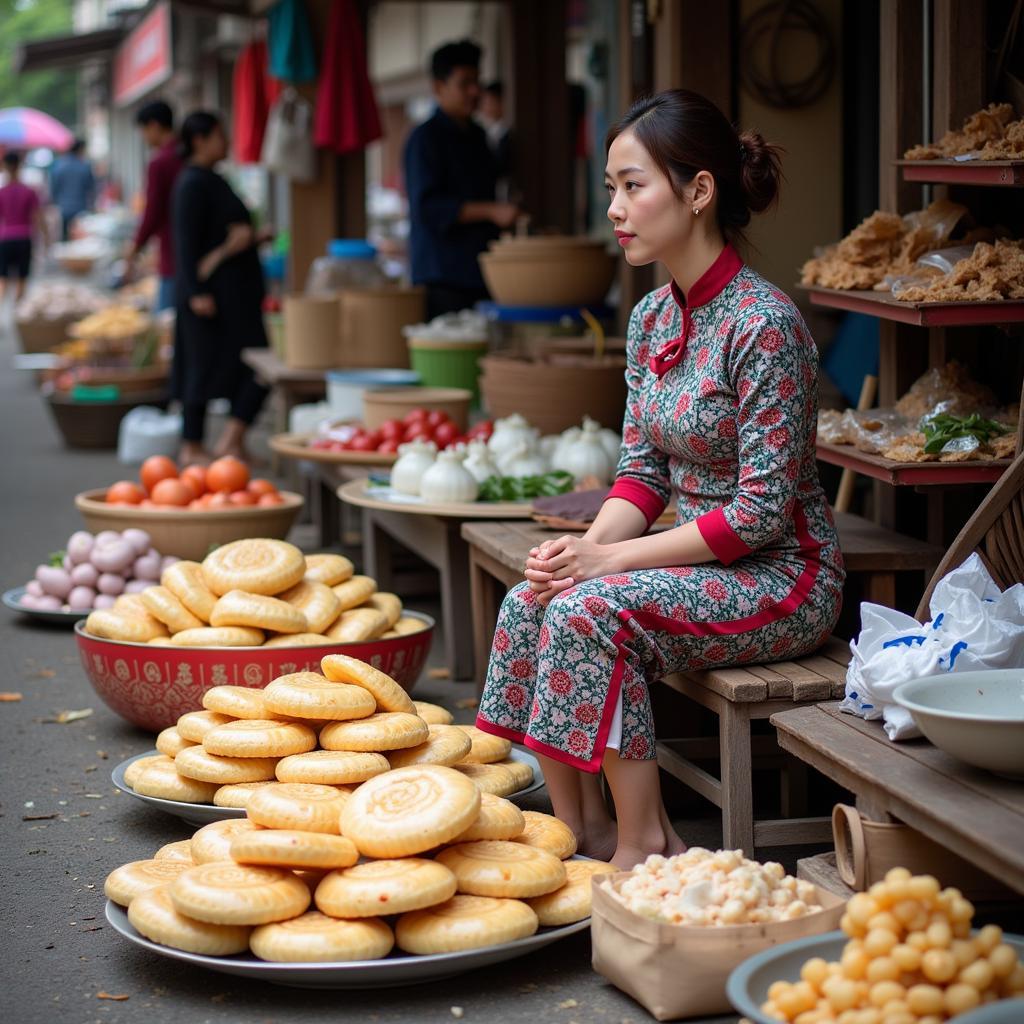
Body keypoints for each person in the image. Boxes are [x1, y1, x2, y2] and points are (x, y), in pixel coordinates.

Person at [475, 89, 845, 870]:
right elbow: (641, 475)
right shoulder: (651, 319)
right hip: (689, 567)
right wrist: (579, 552)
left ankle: (645, 838)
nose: (616, 206)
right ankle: (581, 826)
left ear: (699, 190)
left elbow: (758, 516)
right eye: (612, 186)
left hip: (778, 577)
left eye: (633, 185)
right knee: (531, 598)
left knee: (591, 612)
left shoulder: (764, 323)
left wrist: (607, 565)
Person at [171, 111, 270, 465]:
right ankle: (193, 445)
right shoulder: (192, 183)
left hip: (235, 295)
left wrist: (250, 239)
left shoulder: (213, 179)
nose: (226, 141)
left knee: (251, 367)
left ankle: (232, 440)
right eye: (220, 135)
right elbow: (186, 246)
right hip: (209, 296)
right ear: (200, 139)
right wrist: (197, 290)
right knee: (200, 367)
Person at [403, 40, 519, 319]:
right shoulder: (424, 139)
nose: (475, 91)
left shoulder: (478, 136)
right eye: (464, 83)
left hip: (481, 272)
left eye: (477, 82)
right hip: (442, 276)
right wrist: (492, 211)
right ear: (438, 88)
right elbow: (428, 208)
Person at [125, 101, 183, 312]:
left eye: (143, 130)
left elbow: (153, 212)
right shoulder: (186, 154)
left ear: (154, 126)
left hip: (173, 252)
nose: (144, 137)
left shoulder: (160, 163)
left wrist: (135, 248)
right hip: (193, 250)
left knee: (167, 319)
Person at [0, 151, 47, 304]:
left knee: (3, 279)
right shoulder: (29, 191)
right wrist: (46, 238)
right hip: (24, 238)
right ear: (20, 166)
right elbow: (38, 217)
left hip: (5, 239)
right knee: (22, 278)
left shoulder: (2, 192)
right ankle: (18, 311)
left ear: (4, 167)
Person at [50, 139, 95, 240]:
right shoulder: (84, 166)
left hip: (64, 208)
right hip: (80, 209)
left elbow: (54, 188)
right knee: (80, 239)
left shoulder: (59, 166)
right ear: (80, 150)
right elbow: (91, 189)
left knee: (66, 238)